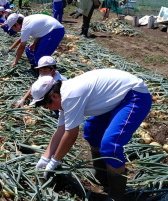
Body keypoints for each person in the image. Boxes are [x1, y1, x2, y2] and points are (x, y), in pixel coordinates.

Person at [32, 69, 152, 201]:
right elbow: (61, 129)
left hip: (134, 96)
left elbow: (71, 134)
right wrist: (45, 157)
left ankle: (116, 196)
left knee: (110, 146)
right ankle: (101, 174)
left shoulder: (71, 96)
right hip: (116, 98)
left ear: (54, 96)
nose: (48, 109)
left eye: (46, 105)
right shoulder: (63, 96)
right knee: (92, 130)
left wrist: (55, 161)